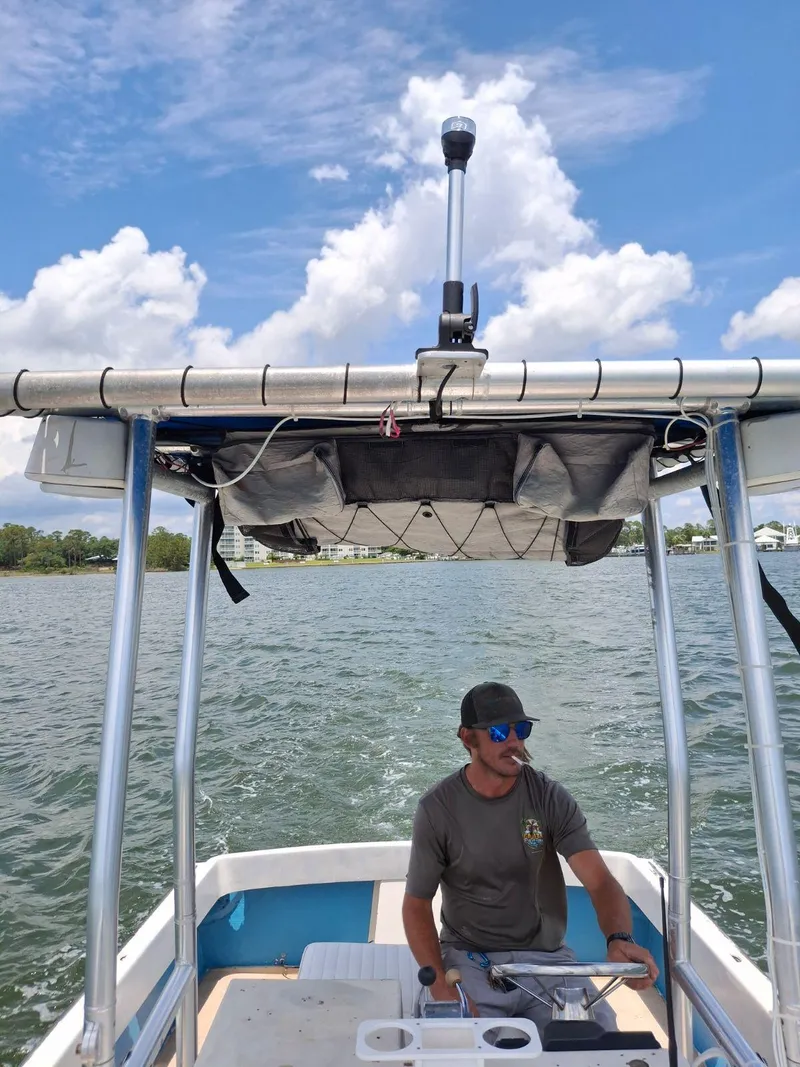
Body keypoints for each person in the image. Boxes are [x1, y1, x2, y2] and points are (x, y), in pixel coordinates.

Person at [402, 681, 659, 1034]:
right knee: (463, 1046)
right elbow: (416, 905)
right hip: (471, 958)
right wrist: (441, 986)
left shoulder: (549, 797)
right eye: (497, 732)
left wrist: (620, 939)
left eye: (521, 730)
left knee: (597, 1042)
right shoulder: (437, 810)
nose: (514, 742)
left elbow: (599, 881)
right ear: (467, 738)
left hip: (548, 960)